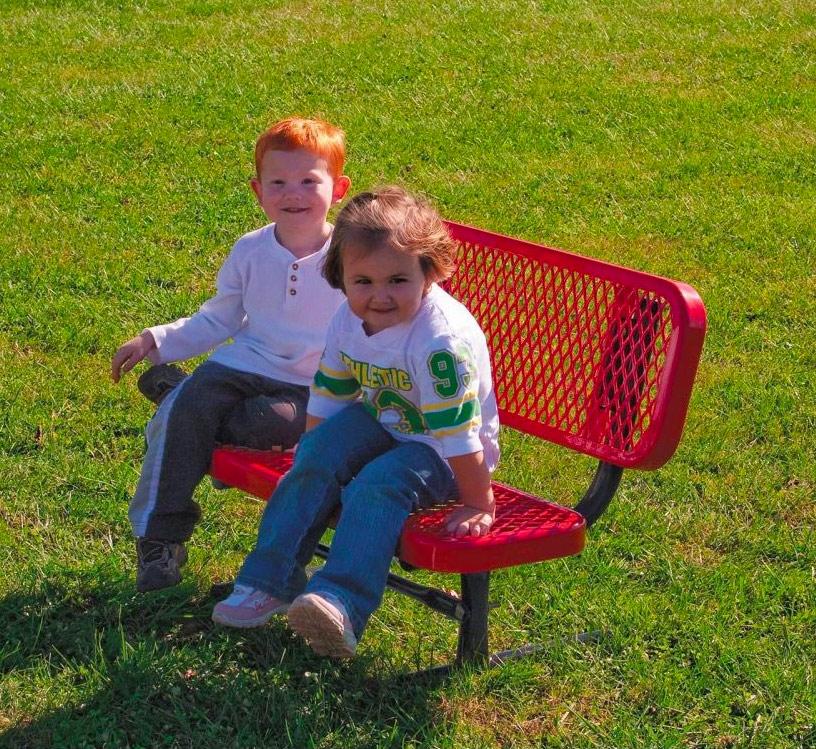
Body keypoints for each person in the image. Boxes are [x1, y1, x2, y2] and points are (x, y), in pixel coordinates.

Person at [212, 186, 500, 658]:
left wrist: (478, 503)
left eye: (397, 280)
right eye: (363, 281)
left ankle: (340, 600)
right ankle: (269, 580)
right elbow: (332, 391)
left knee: (379, 483)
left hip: (442, 451)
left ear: (430, 272)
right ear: (340, 277)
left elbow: (458, 433)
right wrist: (315, 459)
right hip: (385, 421)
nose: (380, 296)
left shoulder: (438, 344)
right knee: (318, 453)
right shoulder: (348, 318)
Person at [111, 117, 351, 593]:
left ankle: (181, 397)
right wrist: (155, 340)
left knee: (258, 424)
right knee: (186, 412)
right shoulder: (250, 250)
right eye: (278, 183)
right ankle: (160, 539)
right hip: (244, 365)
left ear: (339, 188)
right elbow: (219, 319)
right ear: (258, 191)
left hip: (310, 389)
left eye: (309, 181)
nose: (293, 194)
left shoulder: (350, 256)